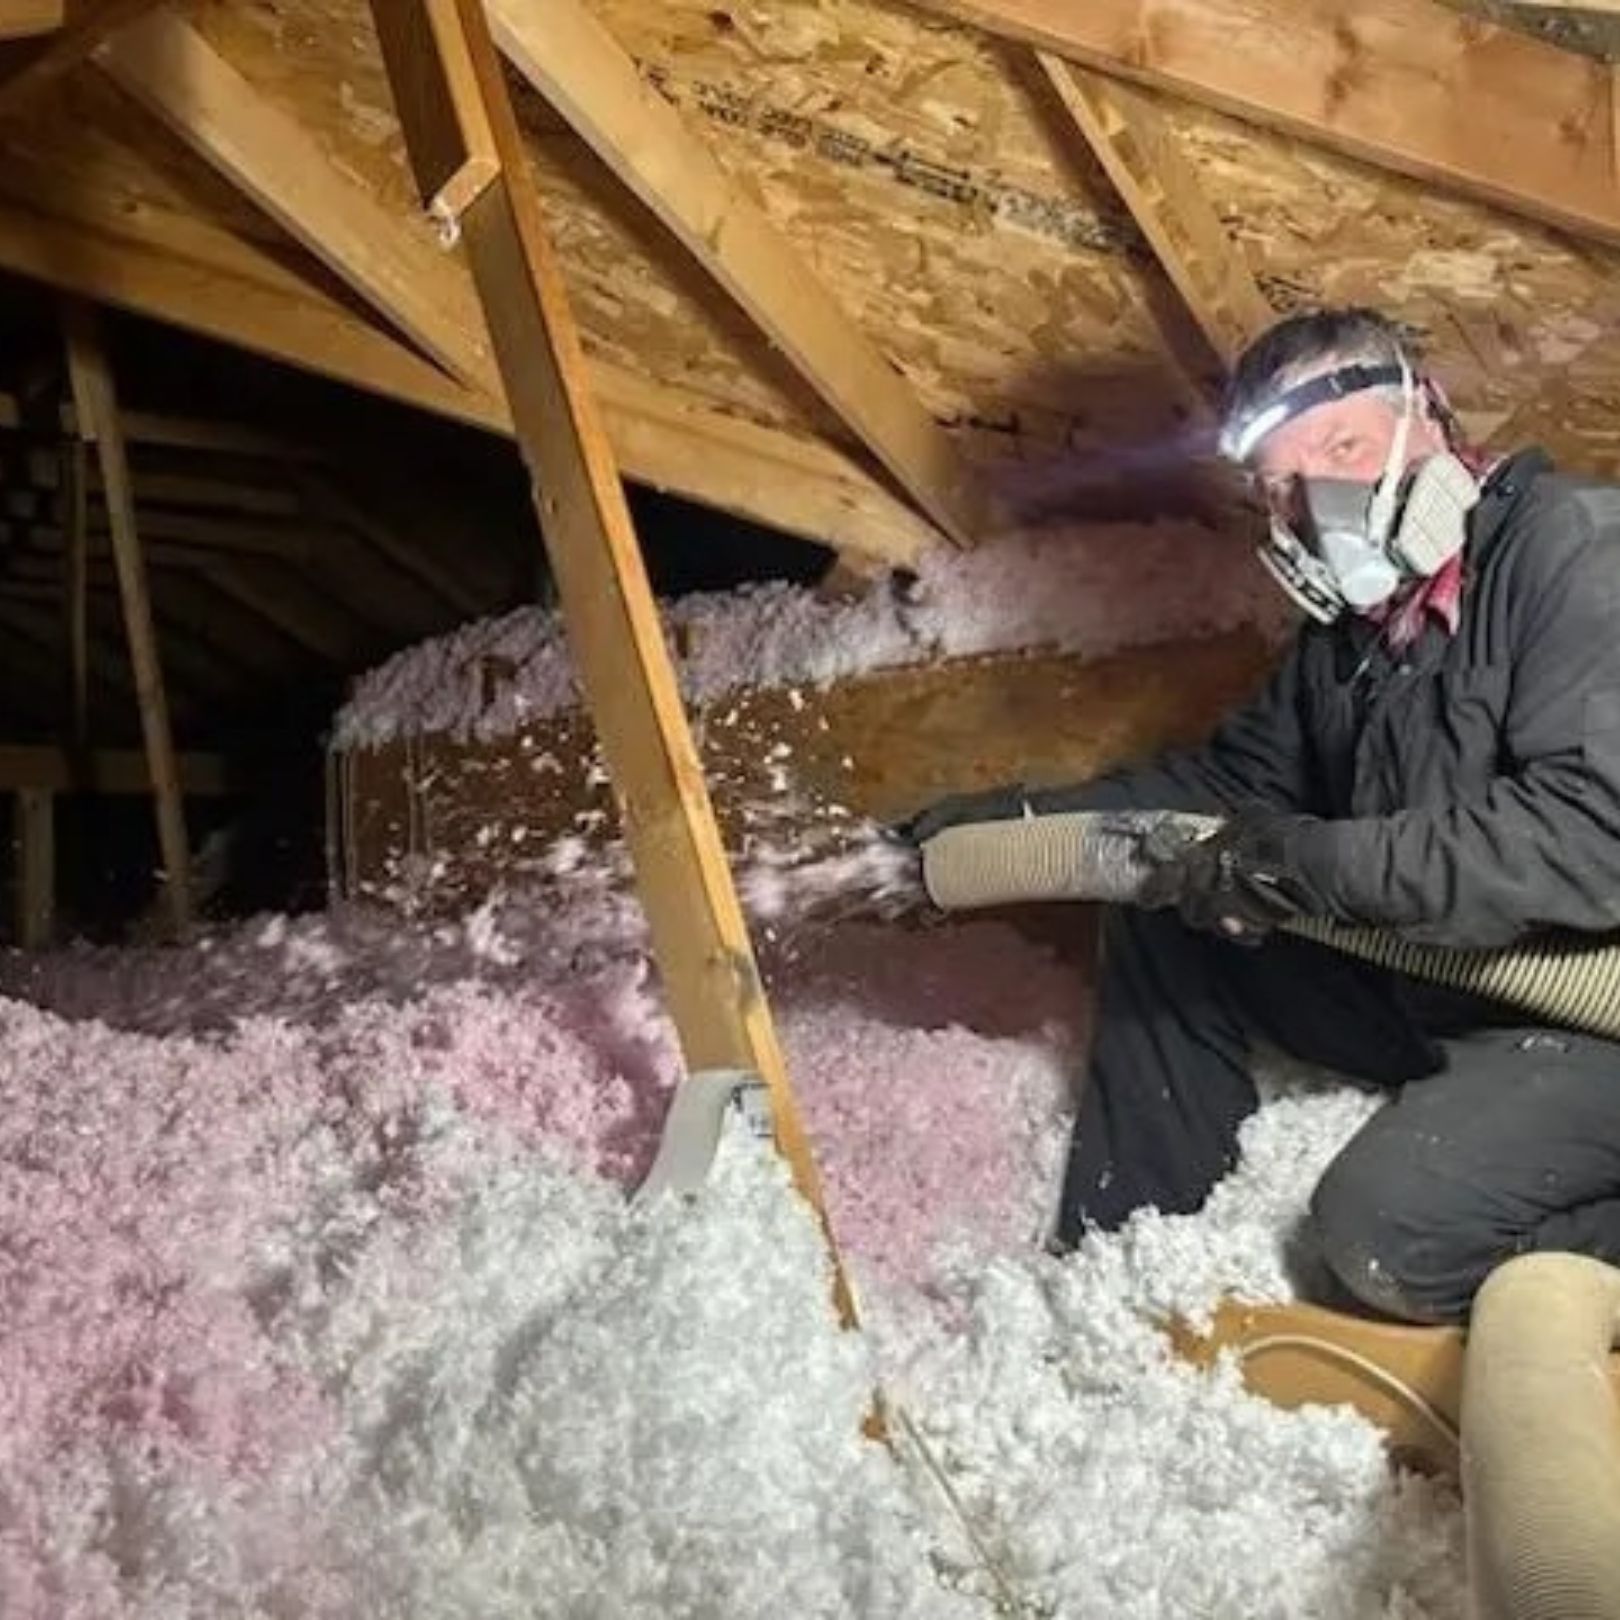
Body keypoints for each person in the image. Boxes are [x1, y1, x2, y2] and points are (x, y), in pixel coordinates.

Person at [905, 306, 1620, 1325]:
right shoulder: (1350, 639)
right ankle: (1126, 1266)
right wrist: (986, 825)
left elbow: (1591, 836)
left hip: (1583, 1023)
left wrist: (1314, 864)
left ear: (1437, 421)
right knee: (1161, 894)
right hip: (1433, 985)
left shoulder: (1575, 552)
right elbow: (1216, 790)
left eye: (1344, 447)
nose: (1318, 501)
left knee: (1385, 1236)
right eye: (1283, 486)